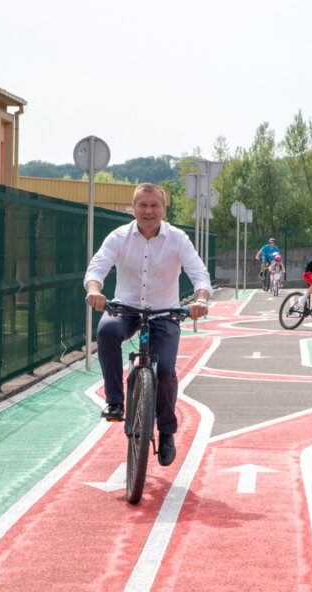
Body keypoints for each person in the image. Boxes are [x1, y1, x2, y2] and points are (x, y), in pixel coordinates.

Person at [84, 182, 211, 467]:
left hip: (165, 314)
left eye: (154, 205)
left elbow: (199, 274)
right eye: (142, 205)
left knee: (165, 371)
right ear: (133, 208)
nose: (148, 211)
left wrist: (201, 299)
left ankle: (166, 431)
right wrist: (94, 290)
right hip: (125, 308)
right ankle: (115, 401)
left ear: (164, 209)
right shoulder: (119, 236)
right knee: (106, 331)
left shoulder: (178, 238)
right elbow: (98, 267)